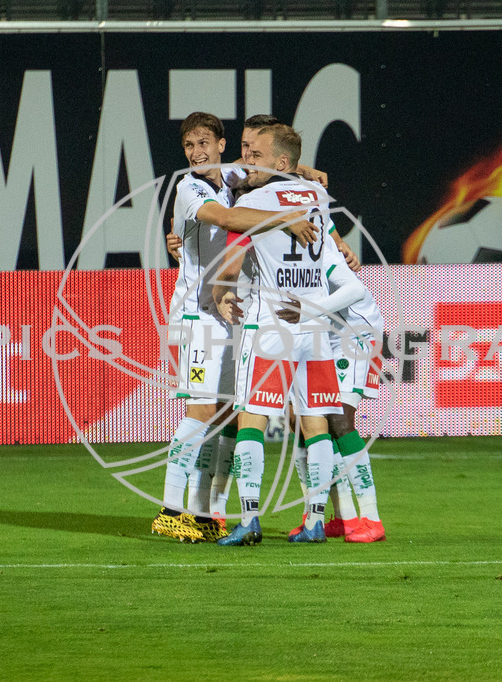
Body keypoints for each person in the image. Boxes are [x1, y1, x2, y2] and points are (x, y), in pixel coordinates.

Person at [152, 112, 319, 543]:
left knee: (228, 413)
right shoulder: (189, 187)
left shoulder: (230, 175)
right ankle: (171, 510)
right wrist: (286, 217)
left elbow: (302, 170)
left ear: (221, 144)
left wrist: (304, 174)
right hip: (197, 314)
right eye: (189, 146)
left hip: (231, 314)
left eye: (204, 143)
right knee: (202, 410)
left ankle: (206, 511)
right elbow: (223, 220)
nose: (196, 153)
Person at [212, 124, 362, 546]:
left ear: (278, 161)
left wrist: (223, 291)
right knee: (315, 423)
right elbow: (298, 183)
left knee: (251, 420)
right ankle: (315, 521)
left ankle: (249, 518)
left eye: (253, 153)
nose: (245, 160)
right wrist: (301, 172)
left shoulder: (253, 202)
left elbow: (229, 263)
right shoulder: (316, 198)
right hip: (314, 324)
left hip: (271, 324)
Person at [277, 234, 387, 543]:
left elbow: (355, 289)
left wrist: (309, 310)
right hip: (322, 333)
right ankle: (343, 517)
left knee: (339, 421)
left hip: (354, 334)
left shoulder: (314, 246)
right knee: (303, 423)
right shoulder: (275, 242)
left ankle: (371, 519)